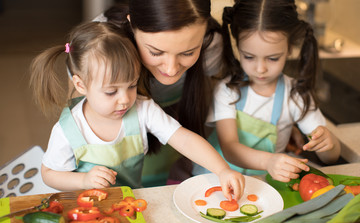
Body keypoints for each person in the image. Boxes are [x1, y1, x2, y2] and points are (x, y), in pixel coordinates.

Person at [29, 21, 245, 199]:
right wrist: (83, 181)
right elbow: (49, 174)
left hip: (127, 202)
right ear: (80, 85)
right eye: (111, 92)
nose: (125, 100)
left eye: (131, 85)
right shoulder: (68, 129)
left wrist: (222, 169)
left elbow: (184, 139)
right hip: (82, 209)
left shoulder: (142, 108)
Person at [194, 0, 341, 182]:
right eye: (249, 57)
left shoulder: (296, 95)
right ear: (238, 46)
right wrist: (269, 161)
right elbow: (230, 148)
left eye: (272, 58)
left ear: (289, 49)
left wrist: (329, 144)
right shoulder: (227, 90)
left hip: (266, 183)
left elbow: (331, 158)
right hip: (218, 177)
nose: (260, 69)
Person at [96, 0, 230, 185]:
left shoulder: (211, 44)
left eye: (188, 53)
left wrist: (222, 170)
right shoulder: (97, 47)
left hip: (176, 130)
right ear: (131, 24)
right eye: (156, 53)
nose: (172, 69)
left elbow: (188, 137)